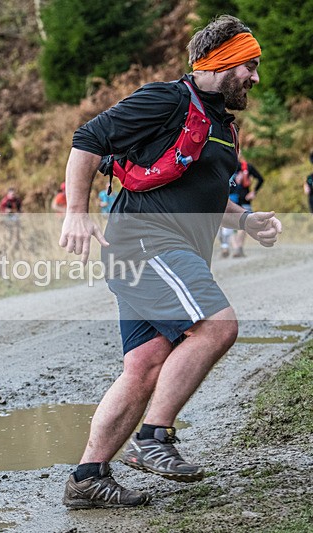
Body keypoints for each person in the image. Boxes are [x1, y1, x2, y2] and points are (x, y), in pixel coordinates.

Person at [58, 15, 282, 509]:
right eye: (250, 66)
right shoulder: (167, 99)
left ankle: (87, 477)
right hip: (147, 243)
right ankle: (154, 437)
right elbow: (87, 139)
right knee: (217, 327)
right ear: (223, 61)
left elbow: (200, 193)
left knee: (143, 365)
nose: (255, 78)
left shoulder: (222, 124)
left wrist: (244, 221)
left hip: (165, 251)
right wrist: (75, 213)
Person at [223, 156, 264, 257]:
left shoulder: (246, 167)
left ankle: (238, 247)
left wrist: (253, 192)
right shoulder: (225, 167)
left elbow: (260, 179)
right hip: (231, 201)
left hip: (243, 200)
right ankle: (237, 247)